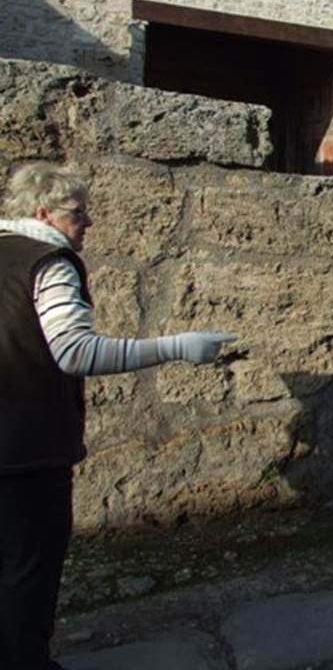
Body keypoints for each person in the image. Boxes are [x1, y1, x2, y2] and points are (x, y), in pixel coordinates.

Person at [0, 162, 236, 670]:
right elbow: (74, 351)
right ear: (44, 213)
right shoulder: (48, 261)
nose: (87, 222)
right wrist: (178, 346)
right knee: (26, 574)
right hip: (26, 450)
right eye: (77, 212)